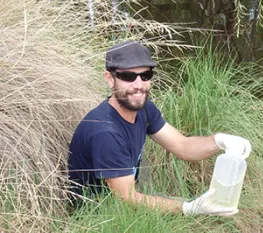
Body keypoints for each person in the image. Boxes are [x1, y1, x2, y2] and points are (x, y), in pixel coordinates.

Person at [67, 41, 250, 216]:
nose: (138, 85)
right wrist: (189, 208)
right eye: (128, 76)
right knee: (198, 216)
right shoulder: (105, 132)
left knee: (213, 213)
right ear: (110, 79)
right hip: (98, 215)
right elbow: (127, 199)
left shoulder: (143, 109)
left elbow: (182, 146)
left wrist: (219, 141)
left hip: (123, 198)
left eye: (145, 75)